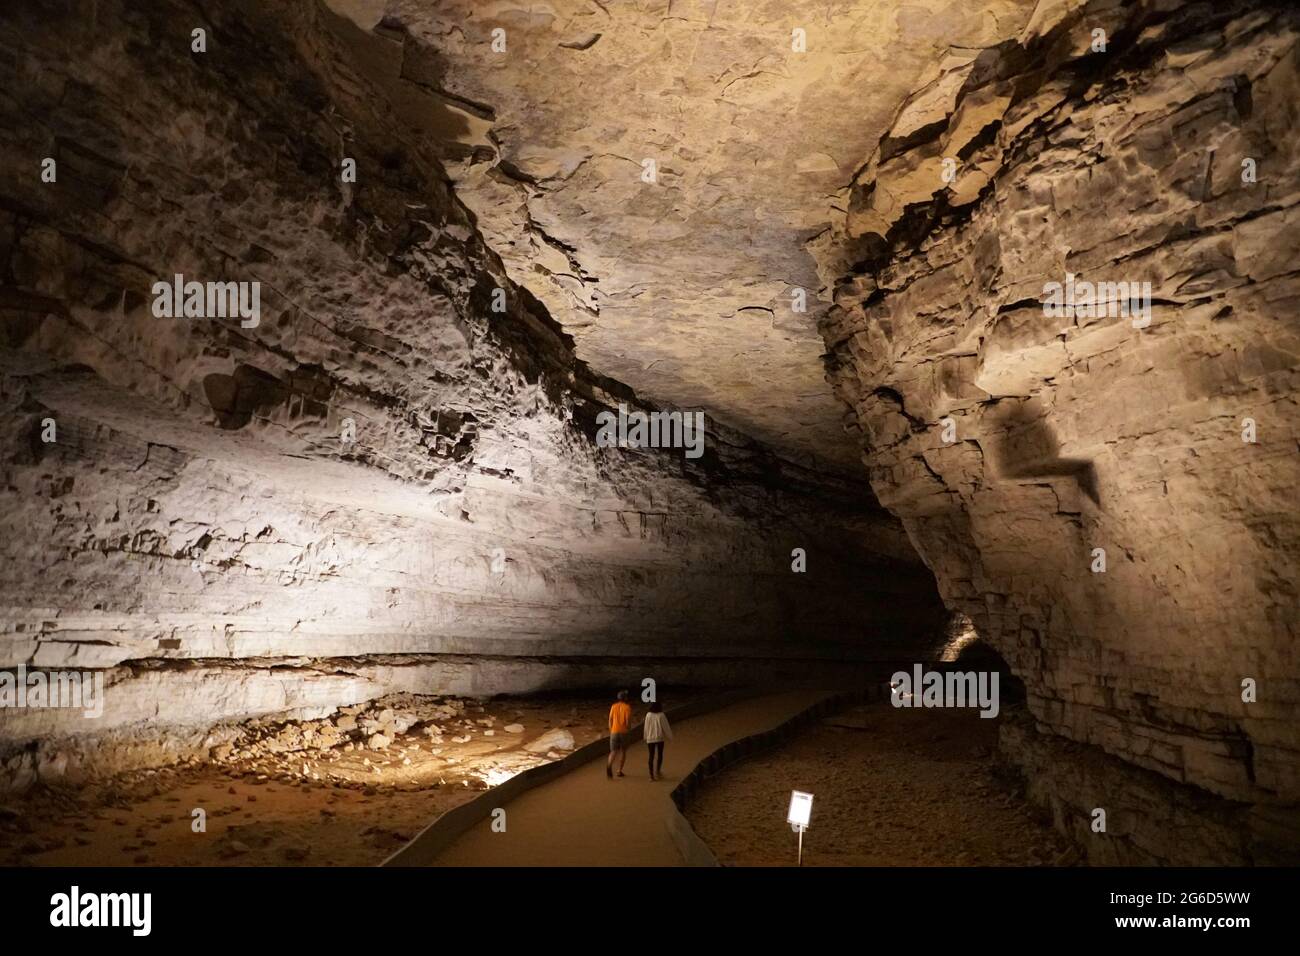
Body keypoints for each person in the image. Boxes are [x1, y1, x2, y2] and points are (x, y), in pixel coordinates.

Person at [606, 689, 632, 778]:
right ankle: (619, 771)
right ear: (625, 698)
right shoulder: (627, 707)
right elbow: (628, 722)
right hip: (623, 732)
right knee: (623, 751)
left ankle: (609, 765)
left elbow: (610, 720)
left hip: (614, 731)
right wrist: (628, 729)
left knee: (613, 751)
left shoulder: (613, 706)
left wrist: (611, 729)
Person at [643, 701, 672, 781]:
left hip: (650, 738)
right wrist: (670, 737)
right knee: (660, 755)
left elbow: (646, 726)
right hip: (659, 738)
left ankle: (651, 775)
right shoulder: (661, 715)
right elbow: (666, 727)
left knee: (651, 756)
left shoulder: (648, 715)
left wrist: (645, 736)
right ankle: (658, 771)